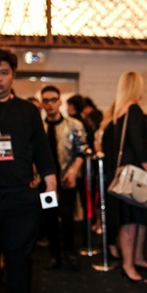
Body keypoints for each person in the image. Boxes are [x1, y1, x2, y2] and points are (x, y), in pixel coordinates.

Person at [0, 48, 56, 293]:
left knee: (19, 255)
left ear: (13, 75)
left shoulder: (28, 111)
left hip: (21, 196)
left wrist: (50, 186)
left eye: (3, 72)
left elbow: (43, 153)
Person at [101, 71, 147, 283]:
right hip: (135, 174)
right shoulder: (133, 110)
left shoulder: (117, 114)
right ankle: (129, 265)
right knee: (131, 222)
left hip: (122, 173)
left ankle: (136, 259)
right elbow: (138, 144)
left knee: (134, 219)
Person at [41, 85, 88, 270]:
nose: (50, 104)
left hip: (68, 179)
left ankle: (69, 252)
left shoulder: (74, 125)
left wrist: (73, 172)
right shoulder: (39, 127)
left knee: (68, 217)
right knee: (50, 216)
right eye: (46, 101)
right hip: (46, 182)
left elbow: (82, 151)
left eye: (53, 100)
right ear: (42, 104)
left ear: (60, 101)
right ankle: (54, 254)